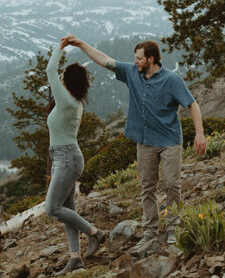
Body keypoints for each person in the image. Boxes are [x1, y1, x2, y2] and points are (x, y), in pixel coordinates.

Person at [61, 35, 206, 254]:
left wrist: (200, 134)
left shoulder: (172, 80)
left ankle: (173, 228)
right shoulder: (132, 72)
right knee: (147, 187)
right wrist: (81, 44)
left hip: (169, 142)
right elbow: (104, 60)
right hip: (145, 142)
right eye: (134, 58)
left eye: (139, 58)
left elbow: (192, 104)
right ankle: (150, 232)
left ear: (152, 59)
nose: (135, 61)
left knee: (171, 186)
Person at [45, 39, 106, 274]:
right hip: (64, 158)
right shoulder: (72, 102)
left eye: (63, 76)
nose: (59, 78)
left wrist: (59, 48)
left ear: (67, 81)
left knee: (52, 208)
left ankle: (95, 233)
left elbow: (50, 70)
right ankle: (75, 257)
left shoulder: (67, 102)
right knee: (66, 210)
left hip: (67, 158)